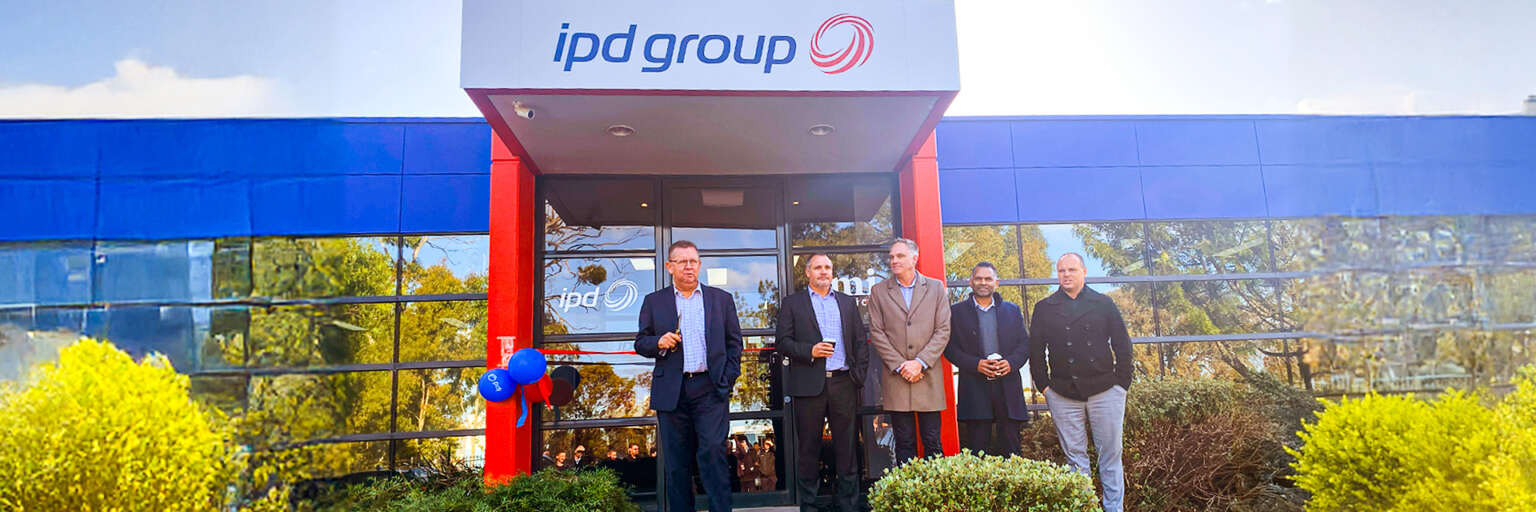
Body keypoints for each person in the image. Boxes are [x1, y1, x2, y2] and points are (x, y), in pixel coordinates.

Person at [635, 240, 743, 512]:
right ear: (669, 266)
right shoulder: (654, 301)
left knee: (713, 454)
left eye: (693, 261)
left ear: (700, 265)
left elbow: (735, 344)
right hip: (672, 391)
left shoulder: (721, 300)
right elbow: (641, 342)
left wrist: (727, 379)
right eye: (682, 261)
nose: (688, 266)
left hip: (710, 388)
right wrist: (658, 342)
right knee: (676, 464)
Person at [1030, 253, 1134, 512]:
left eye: (1072, 270)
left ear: (1084, 272)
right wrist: (1045, 387)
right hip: (1063, 393)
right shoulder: (1044, 307)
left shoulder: (1103, 303)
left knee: (1110, 457)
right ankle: (1085, 508)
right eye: (1061, 270)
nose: (1066, 274)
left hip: (1105, 390)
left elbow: (1122, 344)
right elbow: (1036, 351)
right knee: (1075, 460)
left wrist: (1121, 384)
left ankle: (1114, 509)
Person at [776, 253, 869, 512]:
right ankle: (809, 506)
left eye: (827, 267)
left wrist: (858, 376)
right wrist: (810, 351)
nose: (824, 271)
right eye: (818, 267)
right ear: (807, 272)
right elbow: (782, 342)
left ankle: (849, 506)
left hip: (843, 382)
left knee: (847, 449)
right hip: (809, 386)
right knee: (808, 450)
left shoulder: (847, 302)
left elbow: (860, 341)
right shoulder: (792, 303)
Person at [867, 238, 951, 465]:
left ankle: (934, 488)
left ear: (915, 258)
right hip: (897, 378)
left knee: (932, 442)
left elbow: (943, 330)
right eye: (892, 257)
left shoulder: (935, 288)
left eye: (900, 256)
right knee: (904, 443)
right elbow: (877, 333)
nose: (894, 260)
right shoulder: (879, 291)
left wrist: (920, 362)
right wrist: (901, 365)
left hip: (927, 376)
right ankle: (907, 488)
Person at [944, 262, 1031, 456]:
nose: (983, 282)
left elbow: (1024, 345)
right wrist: (976, 365)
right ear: (971, 282)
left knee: (1012, 453)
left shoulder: (1012, 310)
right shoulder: (956, 313)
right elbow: (949, 349)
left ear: (996, 283)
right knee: (977, 454)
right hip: (974, 389)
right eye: (978, 278)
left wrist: (1010, 363)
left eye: (988, 279)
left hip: (1008, 389)